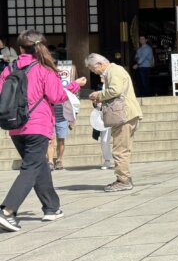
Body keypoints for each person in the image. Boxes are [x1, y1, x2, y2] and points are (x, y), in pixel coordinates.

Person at [0, 32, 86, 231]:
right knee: (31, 167)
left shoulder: (8, 69)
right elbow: (57, 96)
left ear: (21, 49)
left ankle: (52, 207)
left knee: (39, 165)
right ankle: (7, 210)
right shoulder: (43, 69)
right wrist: (73, 87)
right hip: (38, 125)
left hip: (15, 125)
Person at [86, 53, 144, 192]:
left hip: (124, 115)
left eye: (92, 69)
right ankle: (124, 178)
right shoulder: (114, 70)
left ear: (99, 64)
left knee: (120, 150)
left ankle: (123, 180)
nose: (94, 72)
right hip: (127, 114)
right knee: (123, 148)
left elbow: (115, 90)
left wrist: (98, 95)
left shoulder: (114, 70)